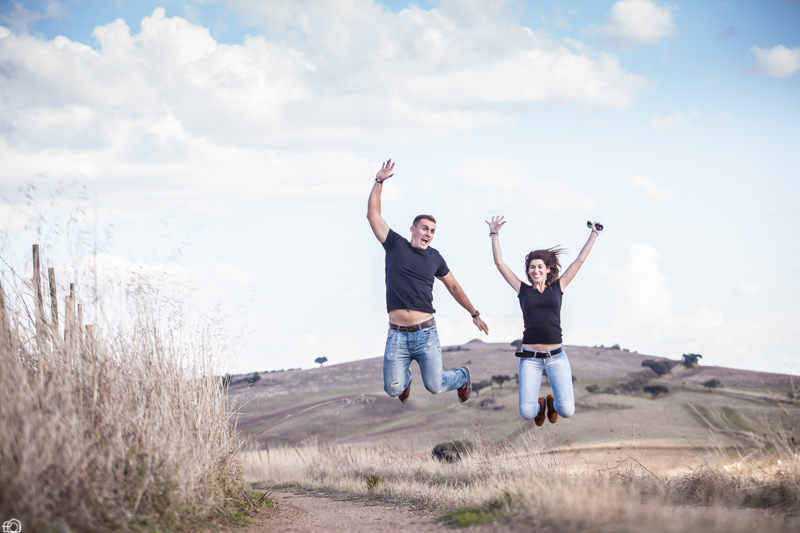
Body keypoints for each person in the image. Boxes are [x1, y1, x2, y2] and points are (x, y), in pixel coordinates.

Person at [367, 159, 489, 405]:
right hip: (397, 334)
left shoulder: (435, 258)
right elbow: (373, 214)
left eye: (432, 231)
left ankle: (462, 377)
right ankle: (405, 381)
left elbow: (453, 287)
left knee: (435, 385)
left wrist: (474, 313)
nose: (428, 234)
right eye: (424, 228)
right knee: (392, 389)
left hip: (425, 333)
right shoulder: (394, 244)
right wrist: (379, 181)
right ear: (412, 229)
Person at [486, 215, 603, 426]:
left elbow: (579, 260)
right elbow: (499, 263)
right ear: (528, 271)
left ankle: (552, 403)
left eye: (540, 267)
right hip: (529, 359)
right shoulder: (522, 289)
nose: (536, 270)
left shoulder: (559, 287)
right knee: (527, 412)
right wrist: (494, 233)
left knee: (567, 410)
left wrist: (594, 233)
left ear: (548, 269)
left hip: (556, 357)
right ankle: (541, 406)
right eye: (532, 267)